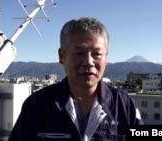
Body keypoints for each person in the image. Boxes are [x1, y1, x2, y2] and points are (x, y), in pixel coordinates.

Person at [8, 17, 144, 141]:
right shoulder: (36, 105)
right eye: (79, 53)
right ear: (62, 56)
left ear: (106, 57)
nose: (88, 62)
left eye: (96, 54)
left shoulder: (124, 104)